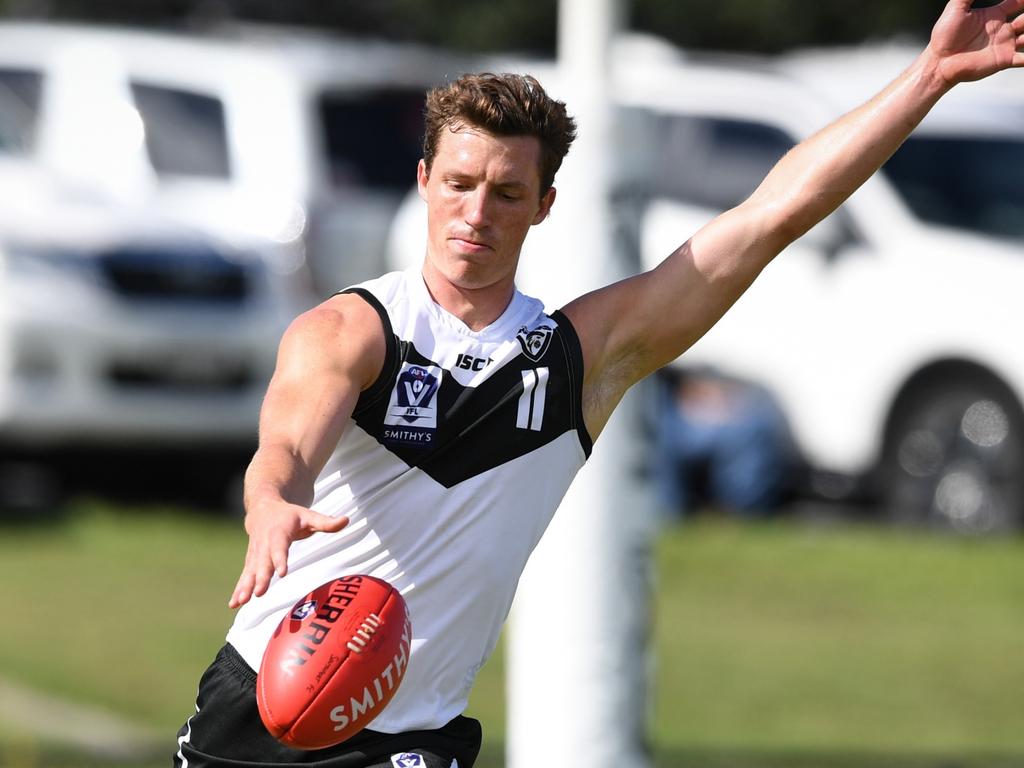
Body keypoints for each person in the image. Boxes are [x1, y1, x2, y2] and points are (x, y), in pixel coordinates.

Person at [174, 3, 1023, 766]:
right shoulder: (353, 330)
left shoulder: (581, 359)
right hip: (258, 710)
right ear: (425, 182)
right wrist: (273, 502)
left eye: (507, 193)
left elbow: (771, 216)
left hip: (412, 741)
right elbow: (286, 442)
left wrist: (928, 78)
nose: (477, 213)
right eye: (460, 185)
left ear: (544, 204)